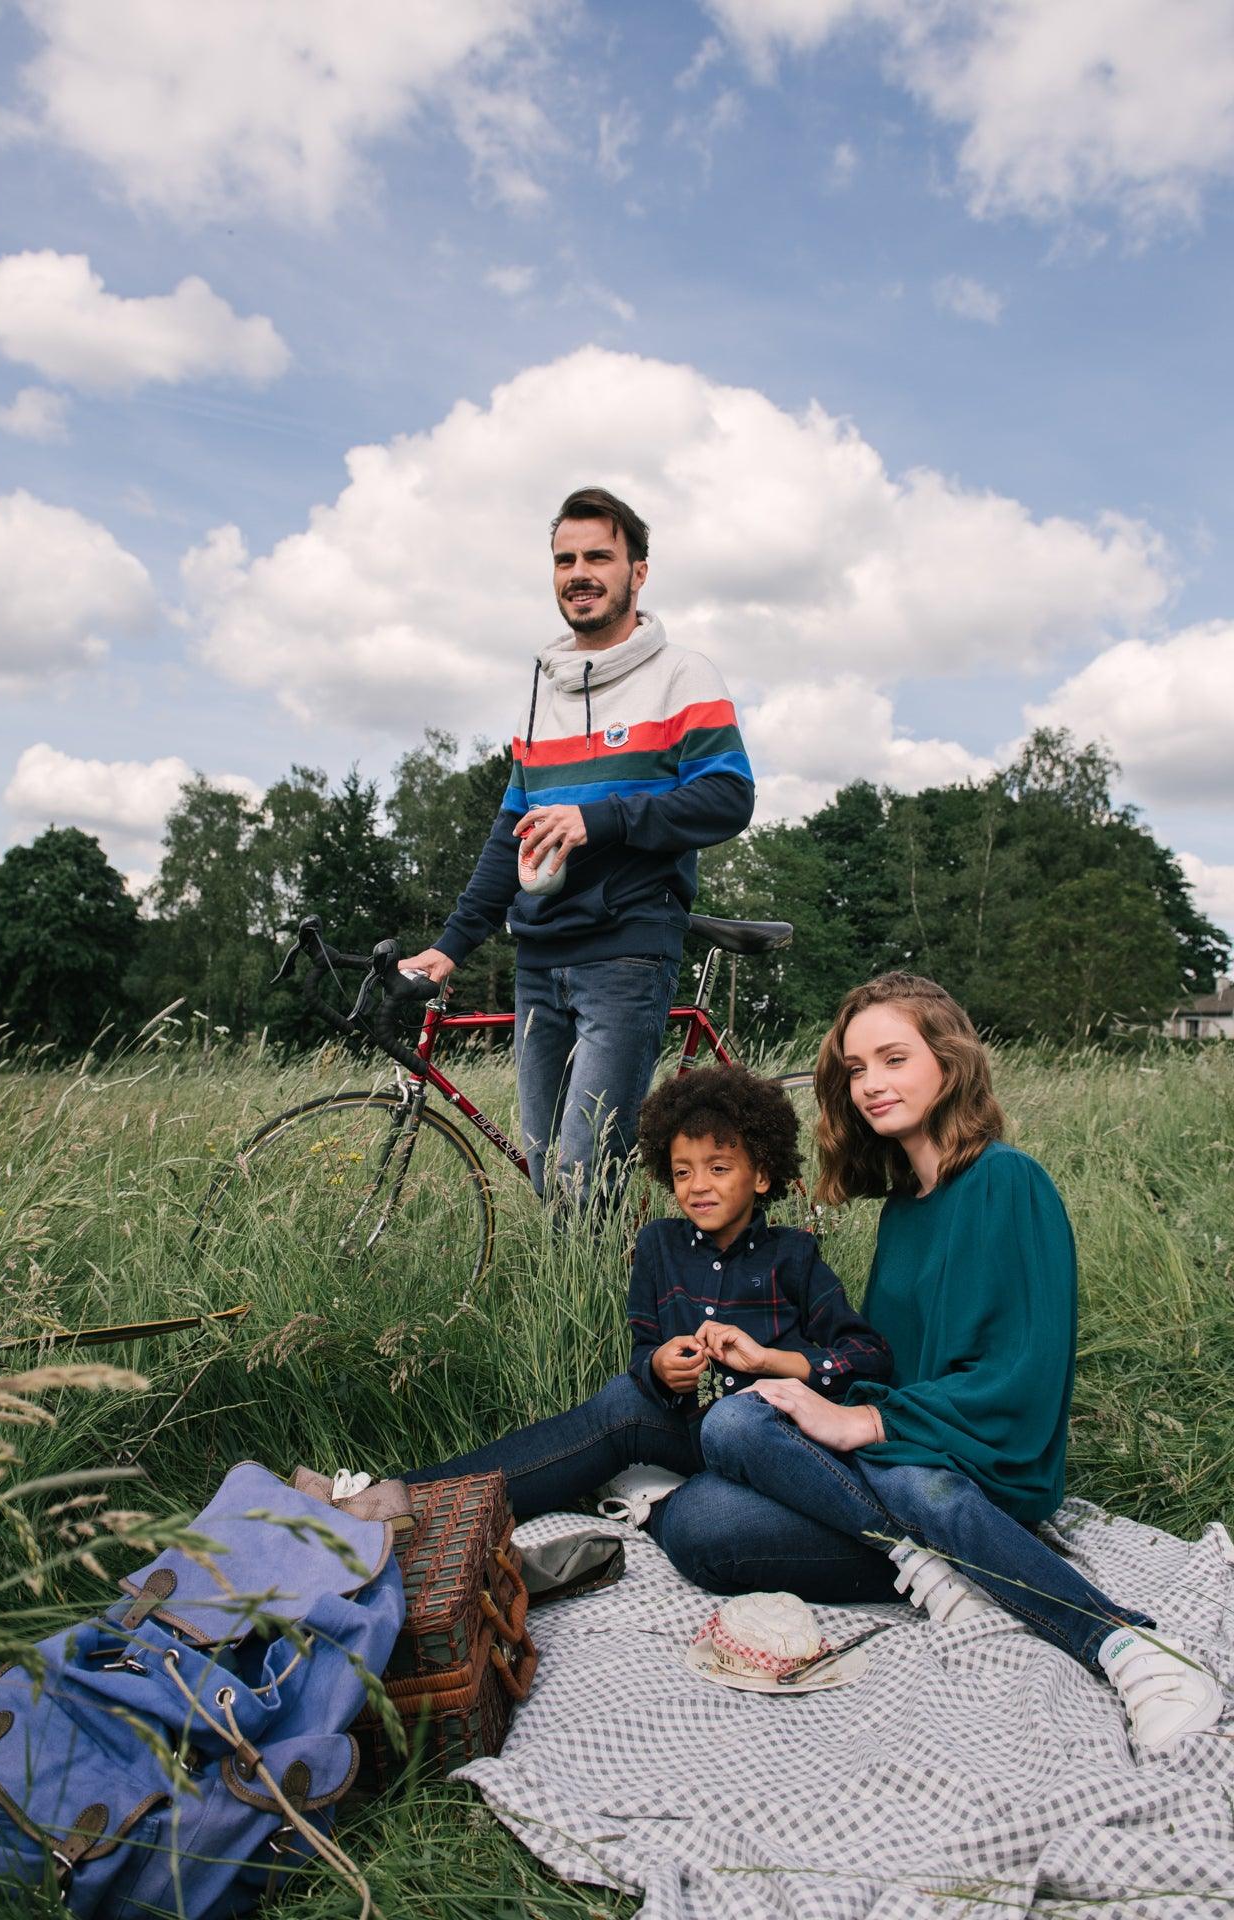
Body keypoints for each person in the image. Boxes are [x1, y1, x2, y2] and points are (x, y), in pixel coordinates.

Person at [661, 973, 1224, 1756]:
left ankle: (1129, 1649)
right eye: (856, 1070)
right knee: (706, 1492)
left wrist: (865, 1420)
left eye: (893, 1058)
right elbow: (889, 1368)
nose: (871, 1085)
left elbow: (1018, 1386)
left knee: (911, 1479)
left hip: (979, 1468)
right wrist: (787, 1371)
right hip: (902, 1463)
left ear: (949, 1062)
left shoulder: (1007, 1181)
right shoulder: (902, 1213)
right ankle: (936, 1565)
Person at [400, 487, 755, 1202]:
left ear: (639, 571)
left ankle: (597, 1317)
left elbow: (729, 796)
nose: (579, 572)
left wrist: (603, 818)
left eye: (599, 555)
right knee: (545, 1179)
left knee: (588, 1179)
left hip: (626, 949)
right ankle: (589, 1299)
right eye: (565, 559)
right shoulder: (543, 688)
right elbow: (511, 831)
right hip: (540, 958)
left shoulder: (683, 675)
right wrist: (453, 944)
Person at [405, 1066, 892, 1514]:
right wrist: (660, 1367)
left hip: (770, 1441)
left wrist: (770, 1361)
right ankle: (412, 1502)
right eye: (683, 1171)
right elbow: (643, 1350)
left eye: (719, 1168)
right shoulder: (658, 1245)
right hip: (688, 1433)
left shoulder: (794, 1254)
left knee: (717, 1458)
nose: (698, 1185)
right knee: (622, 1401)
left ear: (762, 1175)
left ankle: (669, 1503)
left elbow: (867, 1356)